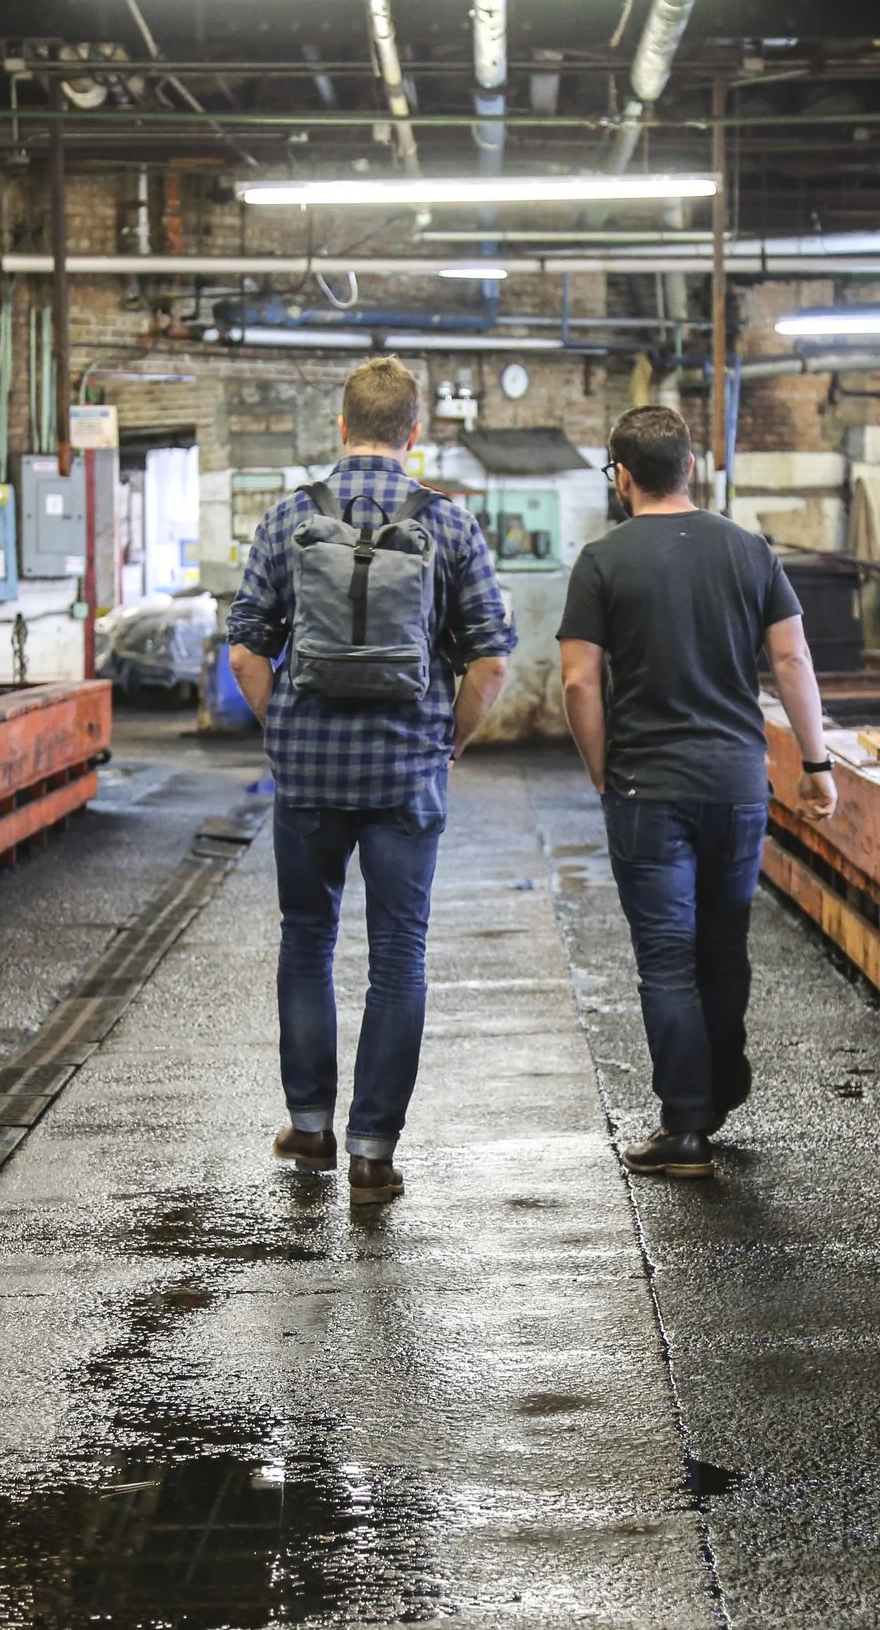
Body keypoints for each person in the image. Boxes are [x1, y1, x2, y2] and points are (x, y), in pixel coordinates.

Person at [227, 357, 514, 1205]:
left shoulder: (287, 519)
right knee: (399, 956)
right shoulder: (451, 525)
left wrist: (280, 729)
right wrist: (448, 741)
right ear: (413, 435)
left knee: (307, 939)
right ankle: (371, 1152)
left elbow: (246, 647)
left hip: (310, 771)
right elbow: (491, 661)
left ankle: (309, 1126)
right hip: (406, 772)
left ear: (340, 427)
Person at [556, 406, 837, 1179]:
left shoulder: (602, 559)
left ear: (621, 474)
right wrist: (818, 765)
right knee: (723, 943)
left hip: (648, 788)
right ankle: (719, 1084)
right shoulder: (749, 550)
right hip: (738, 786)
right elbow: (794, 661)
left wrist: (598, 763)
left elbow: (580, 679)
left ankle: (686, 1126)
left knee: (667, 958)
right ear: (690, 467)